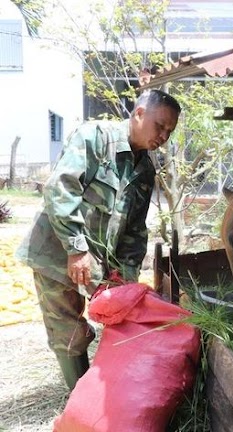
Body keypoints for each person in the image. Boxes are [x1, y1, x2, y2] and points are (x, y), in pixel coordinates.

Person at [16, 89, 181, 390]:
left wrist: (127, 280)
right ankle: (81, 402)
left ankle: (113, 390)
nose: (164, 136)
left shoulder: (144, 170)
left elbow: (134, 231)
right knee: (69, 332)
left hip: (98, 262)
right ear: (139, 113)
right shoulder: (95, 138)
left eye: (170, 131)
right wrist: (76, 248)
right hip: (56, 252)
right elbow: (60, 190)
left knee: (121, 320)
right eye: (161, 126)